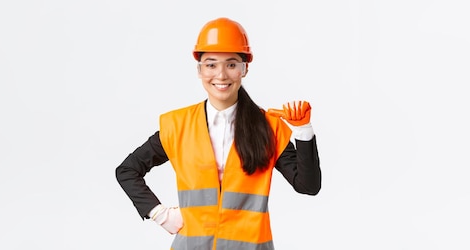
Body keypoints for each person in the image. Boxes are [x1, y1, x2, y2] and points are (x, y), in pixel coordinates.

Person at [115, 17, 321, 250]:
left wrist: (303, 131)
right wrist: (160, 214)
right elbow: (127, 170)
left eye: (231, 64)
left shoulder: (268, 127)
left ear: (245, 69)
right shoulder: (177, 125)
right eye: (211, 64)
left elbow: (308, 185)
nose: (221, 75)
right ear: (200, 69)